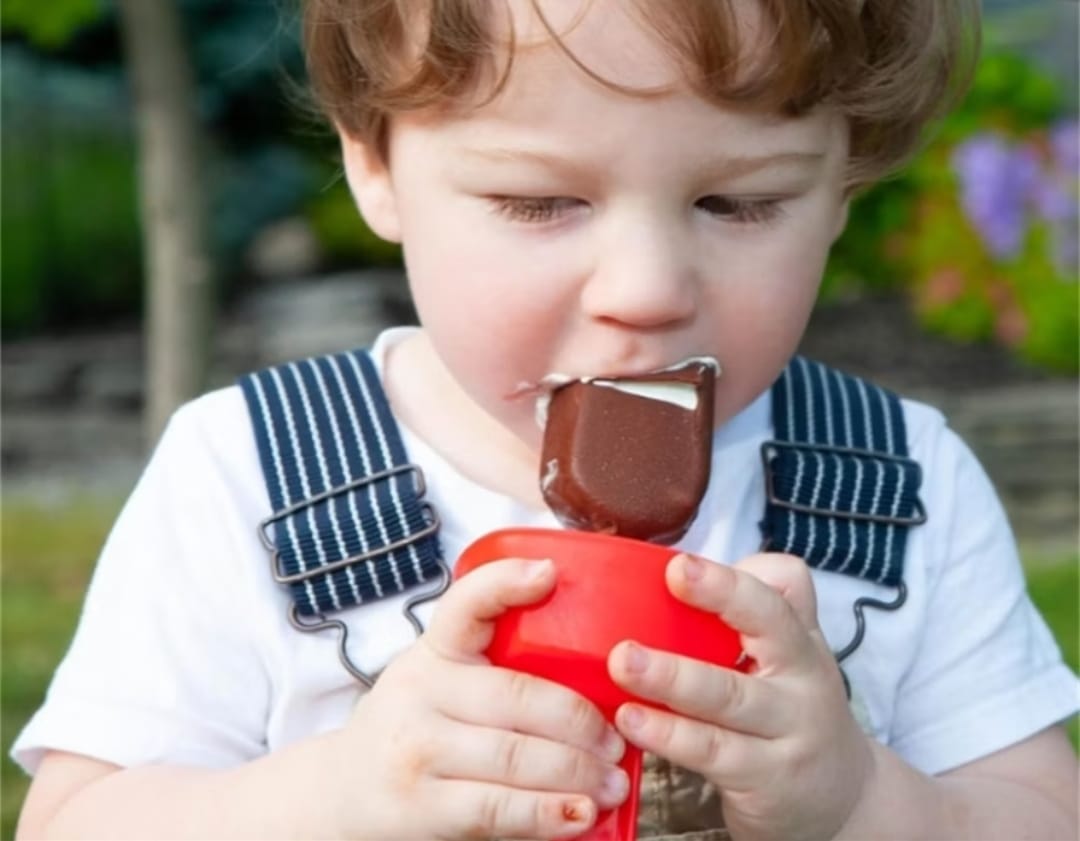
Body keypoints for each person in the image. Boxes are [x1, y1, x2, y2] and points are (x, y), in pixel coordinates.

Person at [13, 1, 1079, 838]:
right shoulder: (247, 471)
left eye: (740, 203)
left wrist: (864, 803)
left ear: (843, 183)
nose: (648, 288)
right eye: (539, 202)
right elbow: (77, 824)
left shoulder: (898, 482)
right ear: (374, 164)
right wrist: (336, 792)